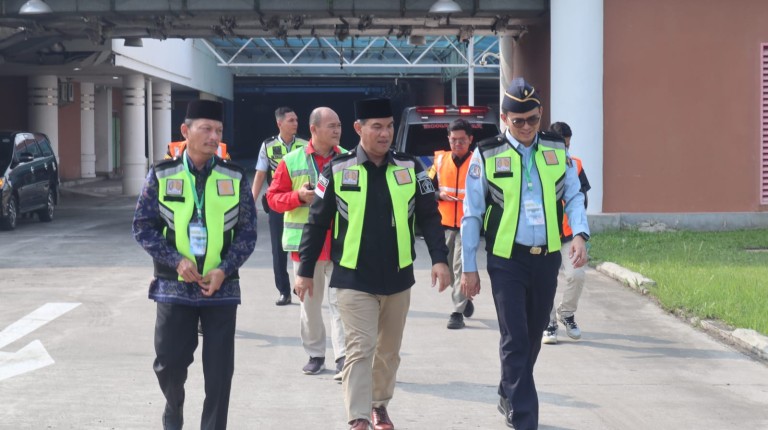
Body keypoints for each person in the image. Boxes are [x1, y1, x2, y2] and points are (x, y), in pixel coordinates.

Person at [294, 98, 451, 430]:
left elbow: (429, 217)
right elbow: (316, 223)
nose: (385, 133)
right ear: (358, 128)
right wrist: (305, 270)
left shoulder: (412, 168)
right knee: (359, 349)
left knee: (388, 353)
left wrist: (440, 260)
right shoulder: (335, 170)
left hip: (398, 279)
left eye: (390, 125)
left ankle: (379, 405)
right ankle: (359, 417)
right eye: (376, 126)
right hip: (352, 279)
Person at [460, 78, 589, 430]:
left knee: (533, 337)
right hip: (507, 260)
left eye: (533, 119)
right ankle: (524, 416)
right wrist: (468, 267)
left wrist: (578, 234)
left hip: (546, 258)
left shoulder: (556, 149)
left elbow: (574, 196)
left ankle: (507, 389)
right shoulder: (487, 153)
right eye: (519, 121)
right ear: (504, 118)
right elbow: (471, 213)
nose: (527, 127)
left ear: (541, 114)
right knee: (515, 337)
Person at [132, 99, 257, 430]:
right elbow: (142, 226)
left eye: (218, 130)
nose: (214, 136)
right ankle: (174, 407)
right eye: (206, 129)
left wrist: (224, 269)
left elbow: (248, 231)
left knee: (219, 372)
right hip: (174, 287)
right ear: (185, 131)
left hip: (221, 287)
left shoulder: (234, 175)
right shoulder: (162, 174)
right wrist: (176, 261)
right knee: (168, 363)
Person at [266, 107, 347, 379]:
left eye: (339, 125)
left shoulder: (348, 159)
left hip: (341, 245)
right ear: (314, 130)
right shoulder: (291, 161)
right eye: (331, 126)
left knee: (342, 304)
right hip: (306, 248)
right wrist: (298, 197)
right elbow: (272, 199)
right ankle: (315, 354)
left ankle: (343, 356)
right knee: (310, 306)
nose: (337, 130)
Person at [251, 107, 309, 306]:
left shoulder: (305, 144)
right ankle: (284, 291)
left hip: (301, 203)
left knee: (302, 246)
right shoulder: (268, 146)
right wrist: (251, 202)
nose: (295, 123)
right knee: (278, 249)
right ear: (280, 123)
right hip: (277, 203)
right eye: (291, 120)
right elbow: (260, 174)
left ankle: (301, 284)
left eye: (296, 120)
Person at [543, 121, 592, 345]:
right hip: (544, 235)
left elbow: (582, 198)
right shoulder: (539, 162)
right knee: (546, 281)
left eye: (569, 145)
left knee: (577, 275)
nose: (566, 150)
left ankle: (567, 313)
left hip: (570, 235)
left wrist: (579, 234)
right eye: (563, 145)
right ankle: (549, 321)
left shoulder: (575, 165)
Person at [428, 118, 475, 329]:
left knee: (460, 266)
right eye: (453, 139)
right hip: (444, 224)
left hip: (467, 225)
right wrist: (439, 194)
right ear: (448, 139)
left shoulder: (477, 162)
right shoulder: (438, 161)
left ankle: (457, 312)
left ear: (470, 140)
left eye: (462, 140)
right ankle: (465, 300)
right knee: (446, 268)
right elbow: (426, 189)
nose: (457, 144)